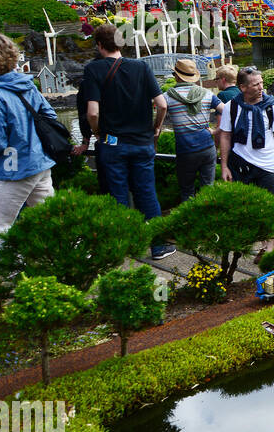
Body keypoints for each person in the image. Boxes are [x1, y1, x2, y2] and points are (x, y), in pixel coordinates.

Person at [81, 25, 172, 259]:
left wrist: (98, 132)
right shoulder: (141, 66)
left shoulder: (93, 69)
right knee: (146, 193)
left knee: (118, 195)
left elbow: (92, 112)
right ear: (121, 43)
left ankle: (123, 247)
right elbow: (162, 104)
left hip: (112, 141)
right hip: (142, 140)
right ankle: (158, 245)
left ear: (99, 45)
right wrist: (156, 128)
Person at [0, 33, 57, 253]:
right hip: (40, 163)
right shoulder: (26, 85)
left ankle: (19, 274)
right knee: (53, 221)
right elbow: (50, 117)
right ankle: (77, 262)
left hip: (13, 169)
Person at [219, 66, 274, 197]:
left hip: (268, 166)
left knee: (271, 209)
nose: (261, 87)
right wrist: (224, 166)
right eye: (256, 84)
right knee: (243, 208)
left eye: (261, 82)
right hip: (240, 165)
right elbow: (225, 136)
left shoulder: (271, 107)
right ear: (243, 87)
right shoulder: (232, 106)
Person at [164, 58, 222, 203]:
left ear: (176, 76)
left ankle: (188, 220)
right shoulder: (207, 94)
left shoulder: (167, 97)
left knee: (187, 190)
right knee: (208, 188)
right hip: (208, 148)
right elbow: (228, 111)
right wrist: (216, 131)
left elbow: (157, 111)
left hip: (185, 150)